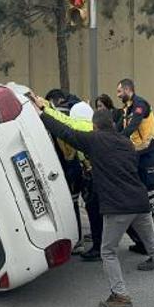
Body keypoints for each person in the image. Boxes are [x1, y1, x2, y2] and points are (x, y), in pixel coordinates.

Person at [33, 95, 154, 307]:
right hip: (140, 203)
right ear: (112, 125)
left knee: (108, 251)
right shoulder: (125, 142)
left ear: (95, 126)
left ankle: (120, 296)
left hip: (117, 207)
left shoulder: (94, 140)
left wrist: (42, 112)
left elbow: (65, 131)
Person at [115, 79, 154, 271]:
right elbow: (121, 127)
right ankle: (144, 242)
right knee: (139, 194)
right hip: (138, 154)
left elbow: (133, 126)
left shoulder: (140, 105)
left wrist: (118, 139)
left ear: (128, 89)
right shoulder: (126, 109)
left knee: (149, 192)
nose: (118, 94)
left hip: (149, 152)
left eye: (120, 90)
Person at [37, 97, 101, 261]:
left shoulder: (81, 127)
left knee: (89, 210)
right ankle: (99, 243)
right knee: (100, 212)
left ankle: (87, 243)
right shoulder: (92, 127)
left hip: (89, 177)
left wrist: (45, 111)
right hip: (95, 177)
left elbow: (64, 126)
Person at [45, 89, 85, 251]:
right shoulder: (74, 111)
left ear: (56, 101)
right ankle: (79, 238)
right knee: (74, 204)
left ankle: (77, 240)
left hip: (69, 167)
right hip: (77, 166)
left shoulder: (59, 115)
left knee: (72, 205)